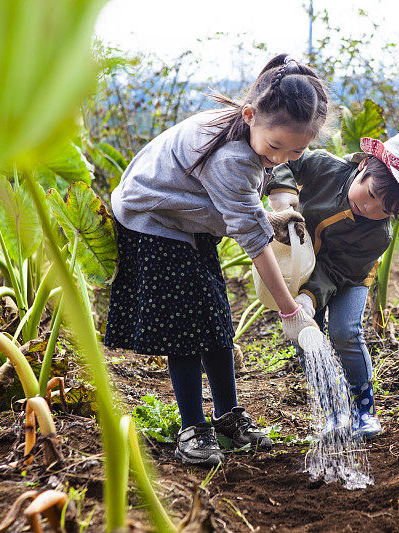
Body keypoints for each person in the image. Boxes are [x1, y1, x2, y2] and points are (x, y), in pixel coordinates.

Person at [105, 54, 326, 466]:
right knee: (186, 328)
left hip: (189, 219)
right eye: (276, 146)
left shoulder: (249, 134)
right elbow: (251, 238)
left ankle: (228, 417)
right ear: (249, 115)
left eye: (296, 151)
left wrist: (268, 214)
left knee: (216, 318)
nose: (281, 157)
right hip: (152, 221)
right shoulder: (232, 158)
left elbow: (242, 205)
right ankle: (193, 427)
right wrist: (289, 310)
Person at [266, 132, 399, 439]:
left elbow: (335, 271)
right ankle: (332, 410)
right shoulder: (325, 167)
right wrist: (282, 194)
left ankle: (364, 409)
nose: (371, 210)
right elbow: (287, 161)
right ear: (363, 168)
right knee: (306, 336)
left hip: (348, 277)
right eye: (371, 194)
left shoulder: (378, 236)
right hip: (301, 264)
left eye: (385, 210)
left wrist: (309, 296)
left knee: (345, 332)